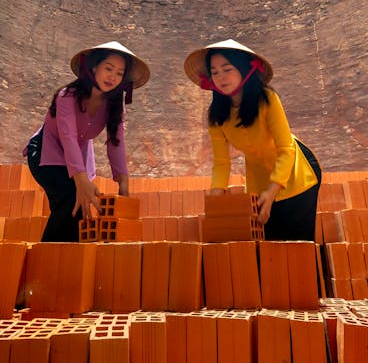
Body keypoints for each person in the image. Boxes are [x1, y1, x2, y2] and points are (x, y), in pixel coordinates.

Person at [183, 38, 322, 241]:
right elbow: (222, 163)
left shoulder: (267, 99)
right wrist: (215, 200)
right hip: (260, 179)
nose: (221, 77)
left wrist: (273, 190)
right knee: (269, 244)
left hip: (297, 171)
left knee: (296, 244)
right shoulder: (216, 115)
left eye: (227, 69)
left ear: (243, 69)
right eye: (215, 72)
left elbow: (285, 148)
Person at [24, 40, 150, 242]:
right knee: (71, 199)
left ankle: (69, 263)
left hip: (76, 160)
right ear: (93, 67)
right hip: (45, 153)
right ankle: (45, 258)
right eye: (108, 68)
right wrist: (81, 180)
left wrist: (123, 180)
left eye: (119, 73)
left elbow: (115, 141)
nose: (113, 77)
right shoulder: (67, 96)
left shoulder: (115, 104)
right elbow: (68, 137)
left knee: (79, 213)